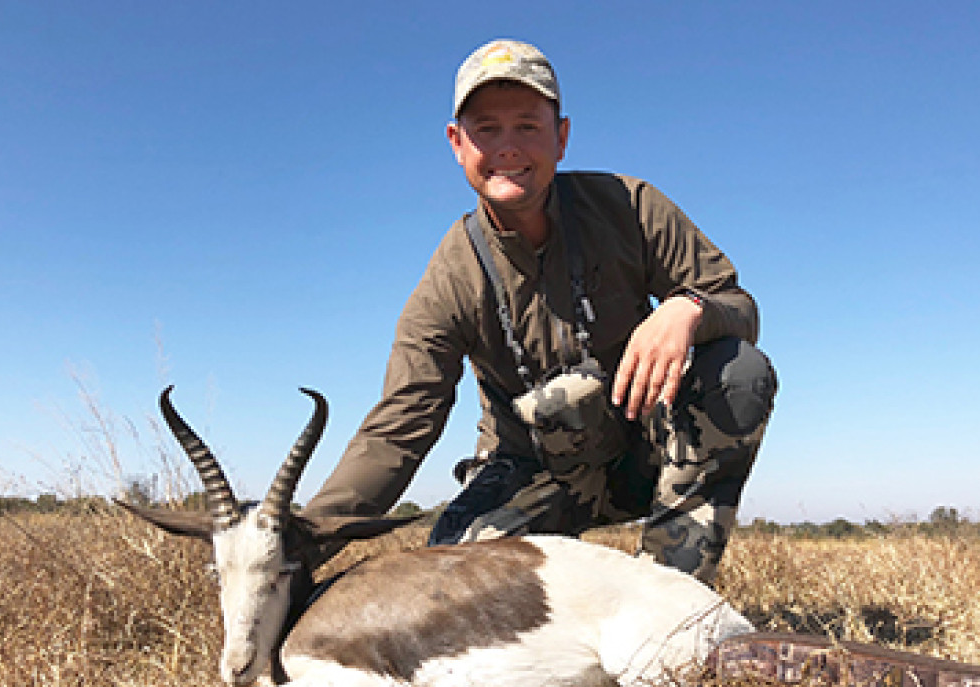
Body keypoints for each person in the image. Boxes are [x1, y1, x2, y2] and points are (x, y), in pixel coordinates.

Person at [302, 39, 777, 583]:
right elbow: (402, 423)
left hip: (643, 453)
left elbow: (738, 307)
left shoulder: (629, 207)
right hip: (530, 469)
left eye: (528, 126)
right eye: (487, 128)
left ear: (562, 137)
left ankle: (669, 597)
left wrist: (686, 309)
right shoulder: (450, 279)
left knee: (738, 370)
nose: (508, 147)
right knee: (450, 579)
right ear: (457, 144)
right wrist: (308, 537)